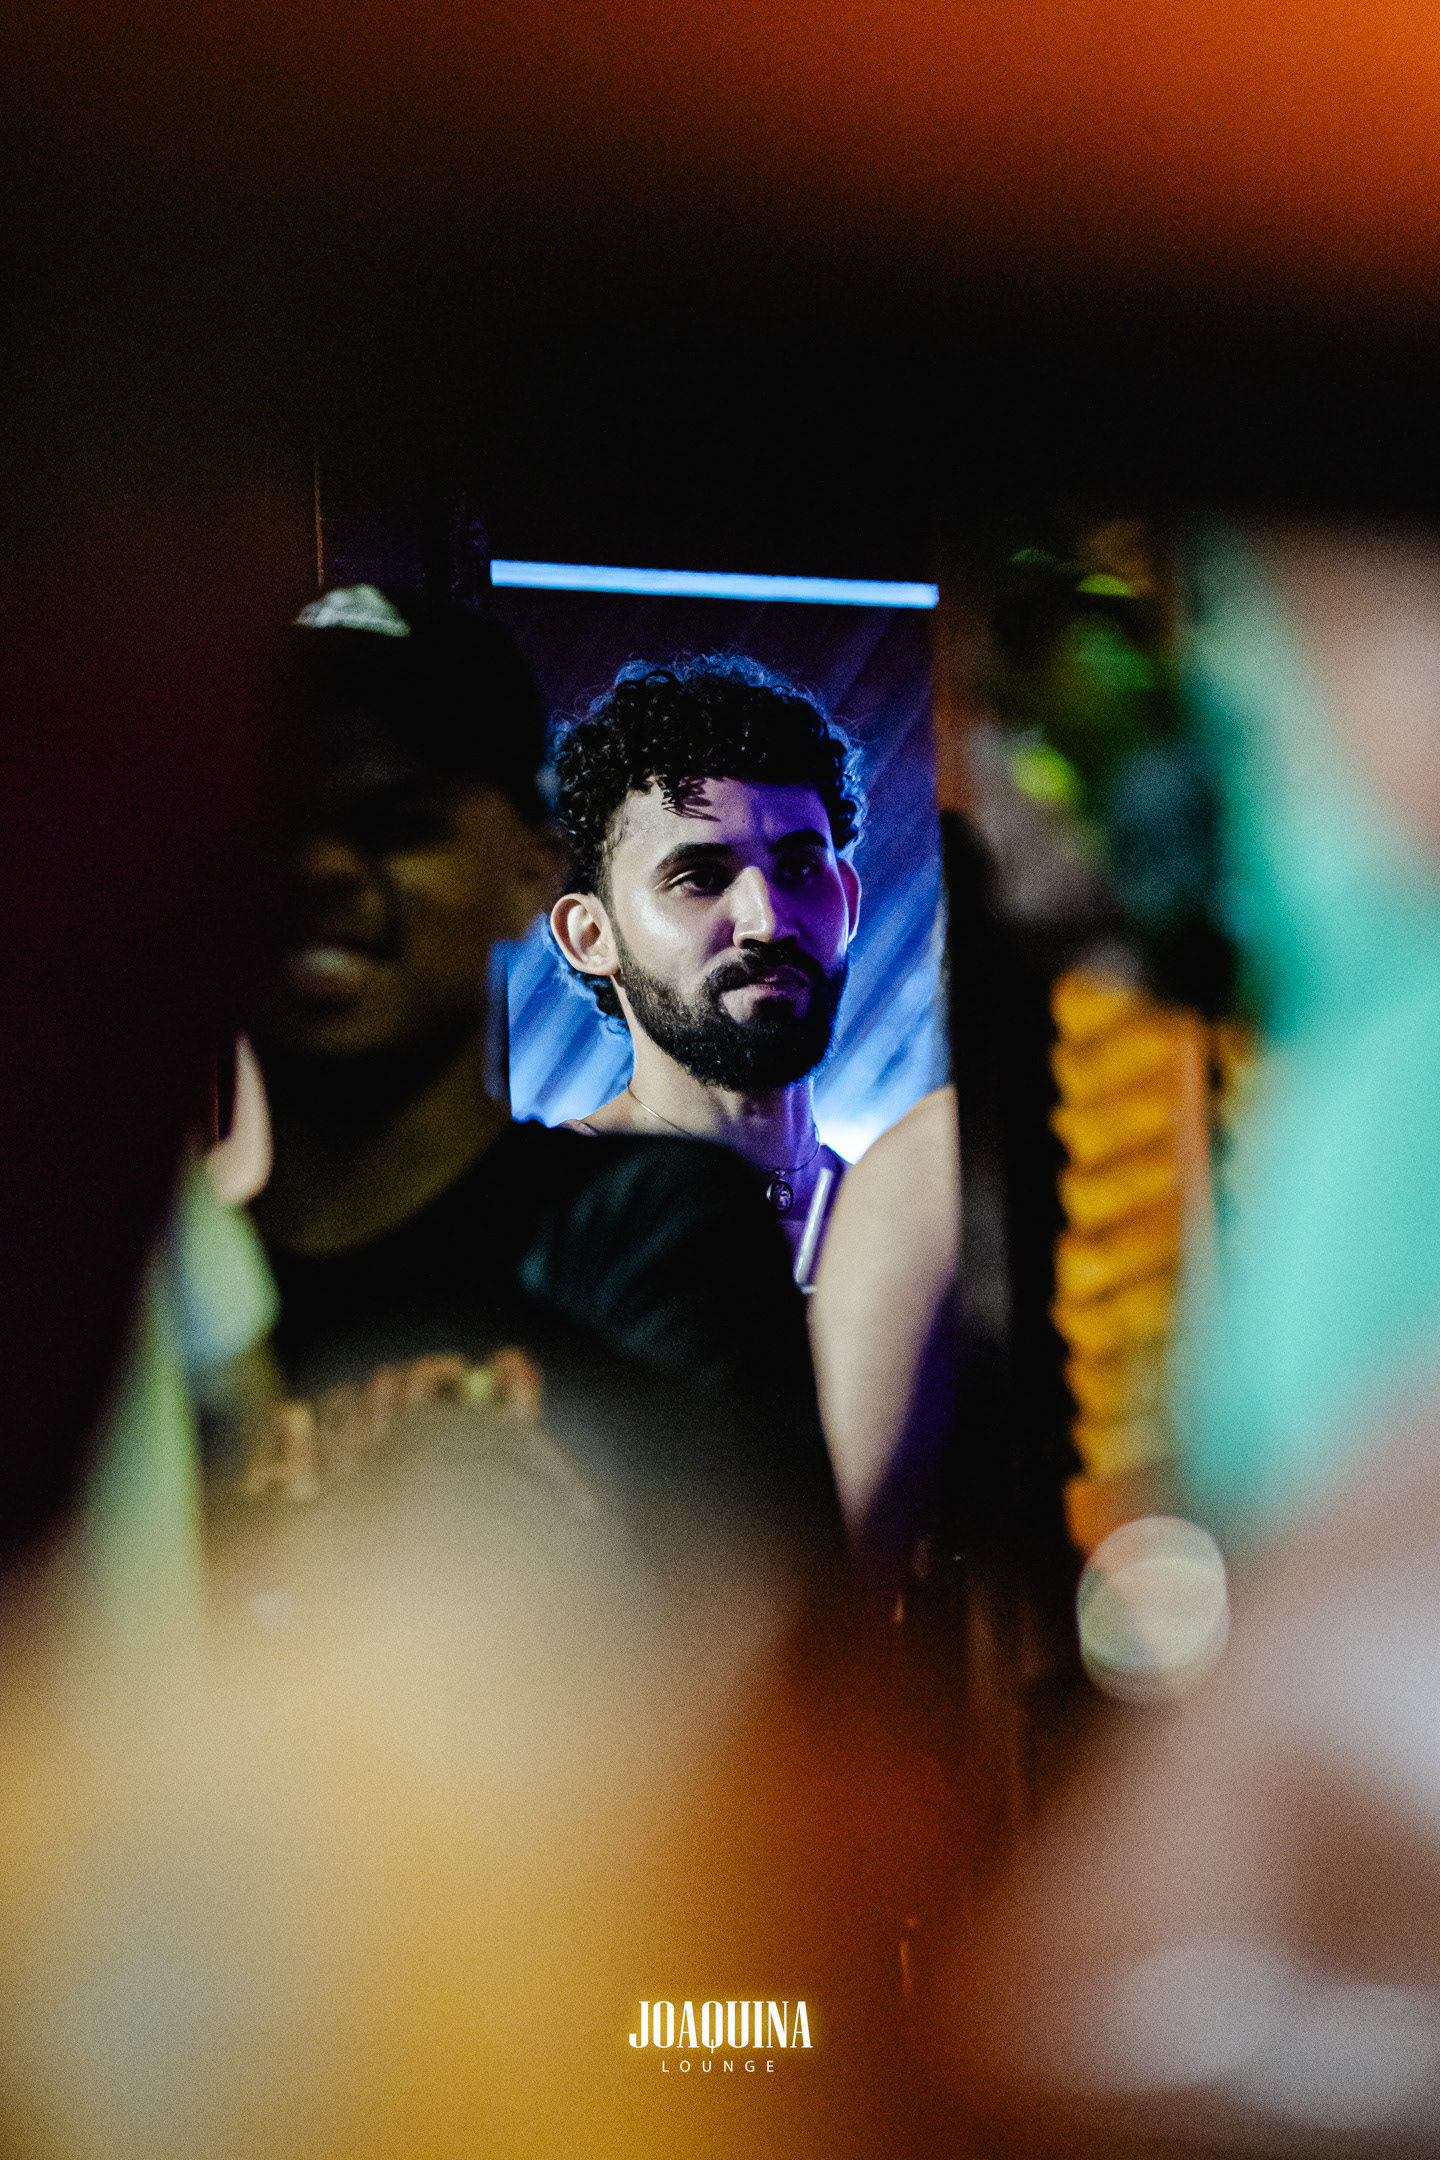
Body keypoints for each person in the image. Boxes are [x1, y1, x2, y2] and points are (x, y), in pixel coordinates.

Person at [246, 586, 842, 1569]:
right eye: (270, 825)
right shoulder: (154, 1296)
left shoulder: (649, 1228)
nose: (768, 919)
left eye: (402, 823)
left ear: (527, 874)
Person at [548, 654, 863, 1279]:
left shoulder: (912, 1231)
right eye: (701, 878)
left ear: (849, 902)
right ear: (591, 935)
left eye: (799, 868)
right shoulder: (540, 1224)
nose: (767, 923)